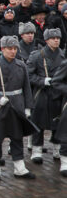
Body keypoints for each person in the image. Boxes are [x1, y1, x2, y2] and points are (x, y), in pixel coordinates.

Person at [0, 36, 37, 182]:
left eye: (15, 48)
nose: (13, 51)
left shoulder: (21, 65)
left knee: (17, 137)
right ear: (2, 49)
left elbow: (26, 88)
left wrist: (28, 107)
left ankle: (19, 167)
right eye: (10, 49)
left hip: (17, 105)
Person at [25, 28, 63, 164]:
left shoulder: (63, 56)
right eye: (53, 38)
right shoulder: (37, 56)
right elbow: (28, 75)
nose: (56, 40)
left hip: (57, 95)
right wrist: (42, 81)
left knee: (58, 123)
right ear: (47, 40)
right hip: (41, 94)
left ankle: (57, 148)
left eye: (58, 38)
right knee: (38, 122)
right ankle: (36, 150)